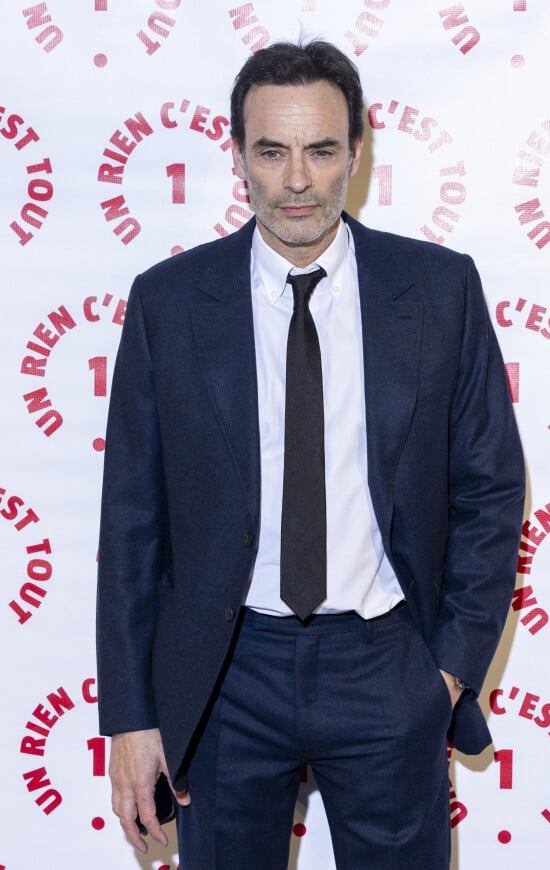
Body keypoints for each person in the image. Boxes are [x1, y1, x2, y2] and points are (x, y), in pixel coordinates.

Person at [96, 39, 525, 870]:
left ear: (356, 154)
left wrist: (443, 675)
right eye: (272, 151)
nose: (297, 179)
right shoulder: (169, 303)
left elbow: (490, 491)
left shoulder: (440, 291)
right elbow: (131, 523)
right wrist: (131, 716)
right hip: (226, 675)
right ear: (238, 157)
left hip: (386, 664)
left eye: (322, 150)